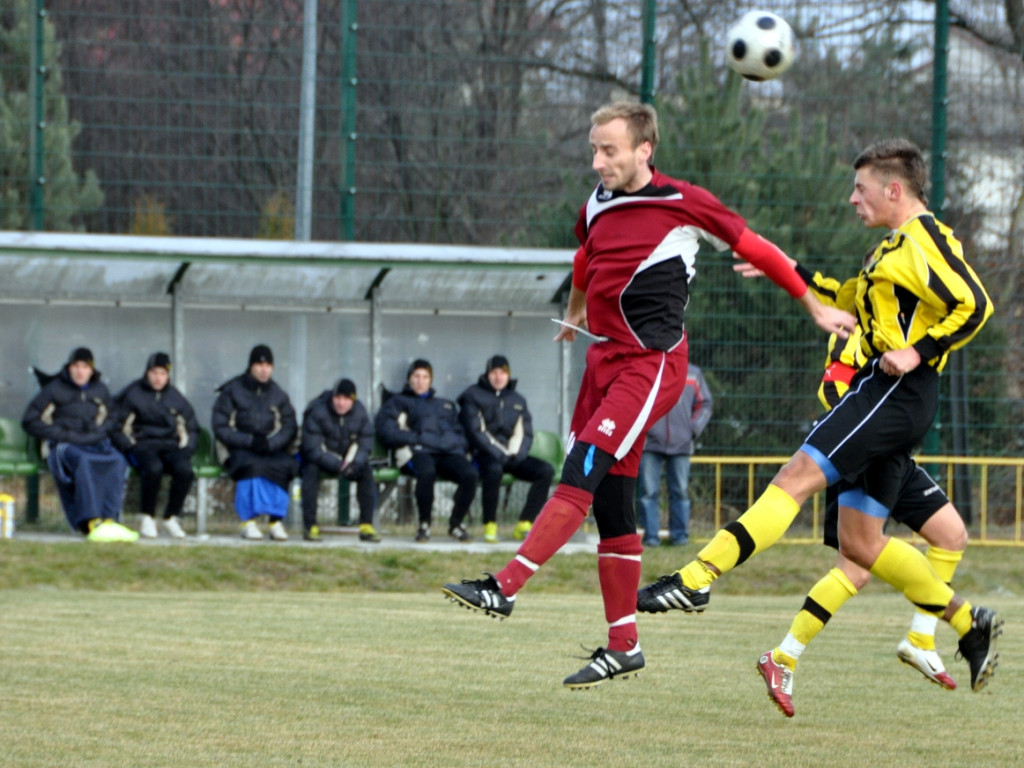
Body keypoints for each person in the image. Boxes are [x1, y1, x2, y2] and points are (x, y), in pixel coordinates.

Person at [441, 100, 855, 690]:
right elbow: (586, 256)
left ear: (644, 150)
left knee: (580, 466)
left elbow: (754, 245)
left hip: (651, 364)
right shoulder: (596, 204)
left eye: (608, 150)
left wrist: (812, 303)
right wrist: (576, 312)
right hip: (603, 360)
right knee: (613, 503)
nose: (597, 160)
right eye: (593, 149)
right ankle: (623, 646)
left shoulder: (680, 203)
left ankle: (504, 587)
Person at [638, 138, 1002, 697]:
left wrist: (917, 352)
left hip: (892, 393)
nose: (852, 199)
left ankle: (696, 578)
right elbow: (848, 298)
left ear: (894, 189)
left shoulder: (925, 240)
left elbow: (975, 303)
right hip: (892, 397)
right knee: (860, 546)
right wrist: (785, 267)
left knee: (793, 479)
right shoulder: (891, 249)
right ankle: (965, 625)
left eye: (860, 188)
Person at [22, 347, 137, 542]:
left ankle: (110, 519)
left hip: (94, 441)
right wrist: (61, 434)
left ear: (91, 370)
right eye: (76, 366)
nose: (80, 371)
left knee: (118, 460)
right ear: (69, 367)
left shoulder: (99, 389)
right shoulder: (54, 389)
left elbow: (113, 417)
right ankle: (90, 522)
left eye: (85, 367)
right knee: (84, 462)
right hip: (64, 445)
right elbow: (30, 420)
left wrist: (99, 432)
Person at [375, 359, 479, 542]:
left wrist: (457, 446)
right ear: (409, 379)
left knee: (470, 474)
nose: (420, 381)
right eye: (416, 376)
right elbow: (386, 431)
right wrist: (417, 439)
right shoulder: (398, 402)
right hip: (417, 452)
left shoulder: (445, 405)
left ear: (431, 380)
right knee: (426, 473)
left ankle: (456, 524)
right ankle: (424, 524)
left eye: (425, 377)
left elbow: (460, 432)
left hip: (447, 452)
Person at [458, 355, 555, 543]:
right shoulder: (473, 395)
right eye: (494, 372)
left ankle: (525, 524)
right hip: (485, 455)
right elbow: (477, 431)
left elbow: (524, 432)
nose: (498, 377)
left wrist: (516, 454)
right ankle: (490, 525)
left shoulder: (518, 399)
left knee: (545, 470)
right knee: (493, 470)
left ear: (508, 375)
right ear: (487, 375)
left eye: (503, 372)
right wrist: (501, 453)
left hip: (512, 456)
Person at [212, 344, 299, 541]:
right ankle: (248, 522)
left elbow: (289, 426)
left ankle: (275, 521)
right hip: (238, 447)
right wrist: (249, 440)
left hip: (269, 447)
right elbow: (221, 426)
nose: (264, 369)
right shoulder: (232, 391)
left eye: (268, 364)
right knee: (250, 465)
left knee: (283, 465)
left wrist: (270, 443)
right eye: (259, 364)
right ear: (251, 366)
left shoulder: (278, 394)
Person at [112, 352, 199, 539]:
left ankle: (171, 517)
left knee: (185, 470)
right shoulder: (133, 394)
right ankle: (147, 517)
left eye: (162, 373)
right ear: (147, 372)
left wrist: (187, 449)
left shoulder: (175, 398)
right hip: (141, 446)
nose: (158, 378)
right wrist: (129, 446)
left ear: (168, 375)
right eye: (154, 372)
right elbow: (117, 427)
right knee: (153, 468)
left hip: (170, 446)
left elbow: (191, 427)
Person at [638, 363, 712, 547]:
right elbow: (636, 401)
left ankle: (680, 537)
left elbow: (705, 404)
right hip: (650, 443)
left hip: (682, 444)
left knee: (679, 491)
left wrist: (693, 429)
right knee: (648, 491)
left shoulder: (694, 374)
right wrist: (644, 428)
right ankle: (651, 537)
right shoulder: (649, 370)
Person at [300, 377, 381, 543]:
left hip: (348, 461)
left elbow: (365, 443)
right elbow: (313, 448)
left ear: (353, 400)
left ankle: (366, 525)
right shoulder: (317, 411)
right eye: (338, 398)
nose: (341, 403)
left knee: (365, 471)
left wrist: (355, 463)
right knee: (310, 472)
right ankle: (310, 526)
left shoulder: (360, 413)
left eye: (346, 399)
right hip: (322, 460)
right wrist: (338, 465)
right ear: (332, 397)